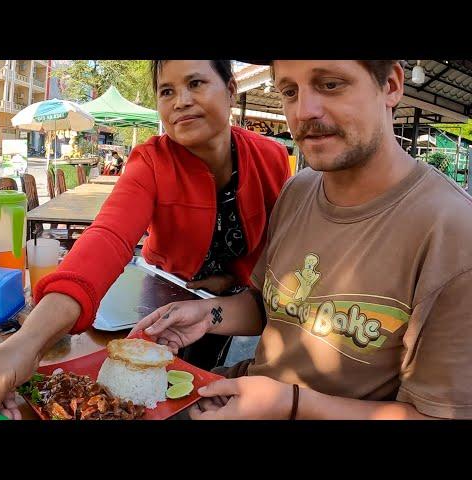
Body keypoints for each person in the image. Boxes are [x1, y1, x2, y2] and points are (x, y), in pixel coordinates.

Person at [132, 60, 472, 420]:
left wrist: (291, 405)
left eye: (330, 84)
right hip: (233, 396)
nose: (303, 111)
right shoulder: (298, 189)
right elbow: (274, 306)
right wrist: (208, 315)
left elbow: (436, 415)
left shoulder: (452, 231)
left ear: (390, 86)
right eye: (290, 91)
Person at [0, 60, 290, 420]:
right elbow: (107, 237)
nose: (180, 101)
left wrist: (230, 281)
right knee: (146, 394)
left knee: (202, 389)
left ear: (230, 90)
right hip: (164, 297)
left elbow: (278, 250)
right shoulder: (151, 160)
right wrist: (26, 344)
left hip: (241, 305)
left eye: (195, 83)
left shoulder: (270, 157)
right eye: (167, 91)